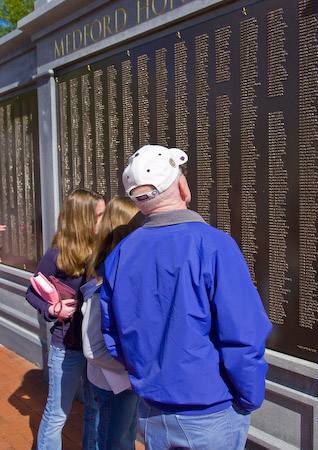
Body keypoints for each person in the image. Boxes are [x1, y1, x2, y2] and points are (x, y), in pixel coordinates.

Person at [100, 145, 272, 450]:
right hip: (210, 414)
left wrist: (149, 377)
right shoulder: (215, 245)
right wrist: (248, 399)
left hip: (151, 410)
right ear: (182, 185)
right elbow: (244, 336)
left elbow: (113, 337)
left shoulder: (119, 254)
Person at [26, 187, 105, 450]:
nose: (103, 222)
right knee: (58, 412)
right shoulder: (56, 256)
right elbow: (31, 292)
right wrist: (53, 310)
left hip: (96, 347)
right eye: (99, 216)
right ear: (82, 219)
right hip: (67, 348)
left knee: (95, 410)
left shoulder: (102, 251)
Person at [81, 197, 143, 450]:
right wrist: (133, 368)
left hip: (125, 382)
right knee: (113, 441)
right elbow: (93, 347)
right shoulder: (102, 284)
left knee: (126, 437)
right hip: (114, 383)